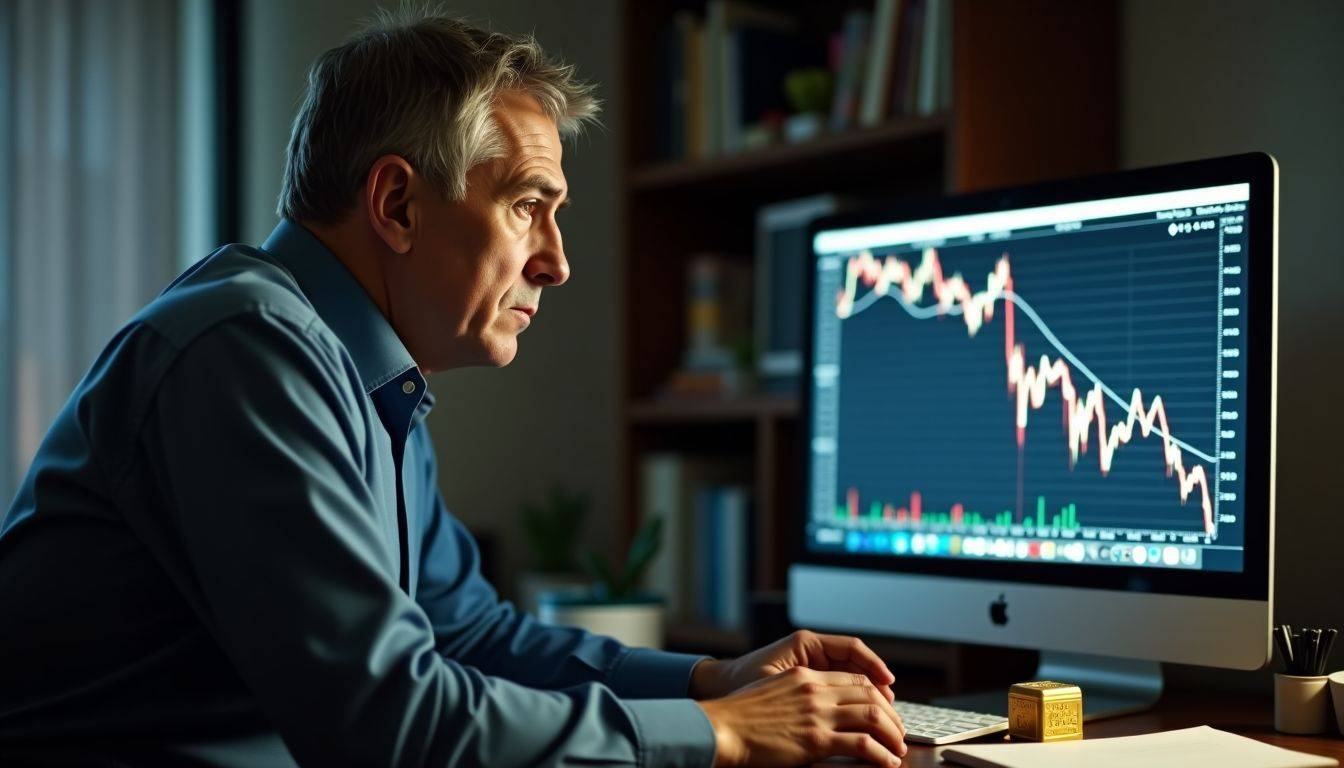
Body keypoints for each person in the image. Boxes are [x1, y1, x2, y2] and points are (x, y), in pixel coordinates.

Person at [0, 9, 907, 767]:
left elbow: (465, 637)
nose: (556, 262)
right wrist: (715, 737)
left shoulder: (368, 372)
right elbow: (386, 723)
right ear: (396, 204)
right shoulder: (250, 349)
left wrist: (715, 681)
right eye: (526, 207)